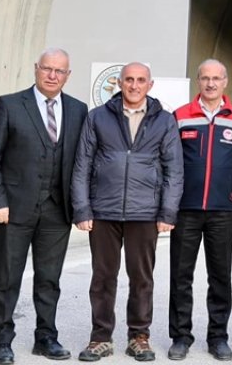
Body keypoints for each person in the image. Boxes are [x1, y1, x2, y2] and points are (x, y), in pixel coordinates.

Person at [71, 62, 183, 362]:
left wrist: (167, 212)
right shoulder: (97, 117)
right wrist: (82, 208)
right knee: (103, 277)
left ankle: (139, 337)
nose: (134, 85)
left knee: (141, 278)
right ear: (119, 82)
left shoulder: (165, 121)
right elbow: (82, 165)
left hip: (145, 212)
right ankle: (100, 338)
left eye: (141, 80)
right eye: (129, 80)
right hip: (103, 210)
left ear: (150, 84)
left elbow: (174, 169)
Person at [0, 47, 86, 363]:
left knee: (49, 279)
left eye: (60, 71)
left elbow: (83, 161)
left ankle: (46, 337)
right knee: (7, 278)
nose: (52, 75)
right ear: (36, 69)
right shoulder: (10, 104)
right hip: (13, 209)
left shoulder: (78, 109)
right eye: (47, 69)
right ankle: (1, 341)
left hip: (57, 210)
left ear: (68, 75)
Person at [168, 59, 232, 361]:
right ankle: (181, 336)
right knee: (180, 276)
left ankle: (218, 337)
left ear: (225, 81)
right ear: (197, 82)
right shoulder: (180, 116)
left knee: (220, 276)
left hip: (221, 210)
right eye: (205, 78)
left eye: (216, 78)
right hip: (186, 209)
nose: (210, 83)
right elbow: (170, 164)